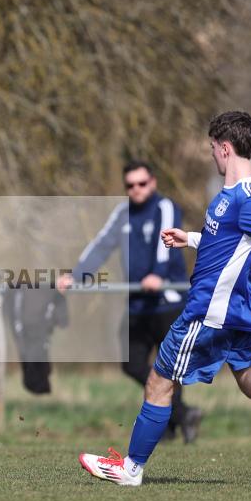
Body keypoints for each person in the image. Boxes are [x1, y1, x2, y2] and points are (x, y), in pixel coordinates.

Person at [78, 111, 251, 486]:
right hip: (240, 313)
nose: (212, 154)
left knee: (159, 381)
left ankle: (130, 469)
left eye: (213, 148)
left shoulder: (248, 199)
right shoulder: (235, 197)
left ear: (225, 148)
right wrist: (191, 239)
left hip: (209, 313)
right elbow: (232, 243)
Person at [59, 161, 203, 442]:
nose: (136, 189)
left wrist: (157, 275)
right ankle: (182, 414)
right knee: (131, 363)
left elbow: (166, 244)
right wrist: (76, 276)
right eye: (130, 185)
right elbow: (100, 245)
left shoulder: (165, 208)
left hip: (167, 302)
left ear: (153, 182)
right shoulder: (122, 213)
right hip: (137, 303)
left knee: (169, 367)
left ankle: (168, 427)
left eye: (142, 183)